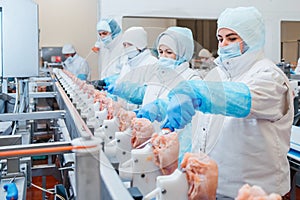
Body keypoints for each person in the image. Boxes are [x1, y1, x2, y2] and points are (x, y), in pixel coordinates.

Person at [162, 7, 294, 198]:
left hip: (256, 190)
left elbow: (241, 99)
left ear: (252, 37)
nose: (224, 45)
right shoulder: (222, 74)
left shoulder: (270, 76)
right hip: (218, 186)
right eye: (220, 39)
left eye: (232, 38)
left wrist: (198, 93)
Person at [112, 26, 202, 164]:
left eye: (169, 52)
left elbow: (189, 127)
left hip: (171, 152)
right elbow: (147, 96)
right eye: (160, 52)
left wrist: (179, 158)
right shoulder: (158, 75)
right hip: (149, 146)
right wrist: (138, 113)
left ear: (183, 53)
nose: (163, 57)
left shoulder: (191, 80)